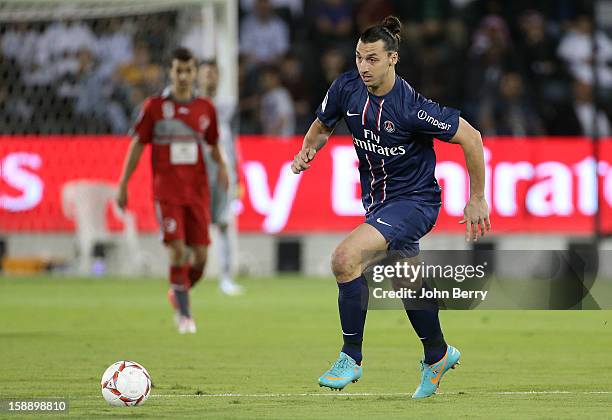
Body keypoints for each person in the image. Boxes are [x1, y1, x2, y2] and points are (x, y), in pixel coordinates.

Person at [291, 16, 490, 398]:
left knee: (345, 259)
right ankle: (437, 353)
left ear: (392, 59)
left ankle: (351, 357)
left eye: (372, 59)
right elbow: (321, 126)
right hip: (379, 204)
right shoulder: (346, 88)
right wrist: (307, 150)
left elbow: (472, 138)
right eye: (359, 58)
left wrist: (477, 197)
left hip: (416, 202)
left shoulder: (412, 107)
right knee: (407, 281)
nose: (363, 67)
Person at [117, 47, 229, 334]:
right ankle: (184, 314)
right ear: (170, 71)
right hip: (166, 192)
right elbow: (138, 145)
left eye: (188, 70)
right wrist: (123, 184)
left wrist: (224, 168)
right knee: (178, 251)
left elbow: (213, 144)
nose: (182, 76)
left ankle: (179, 289)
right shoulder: (154, 107)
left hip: (198, 192)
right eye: (177, 70)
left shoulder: (206, 109)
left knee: (201, 258)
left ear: (194, 73)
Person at [199, 60, 244, 295]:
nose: (210, 78)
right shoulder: (191, 106)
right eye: (206, 73)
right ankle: (188, 275)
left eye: (214, 74)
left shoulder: (227, 107)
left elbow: (231, 142)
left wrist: (237, 172)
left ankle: (226, 278)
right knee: (194, 225)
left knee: (224, 223)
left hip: (223, 174)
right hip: (197, 174)